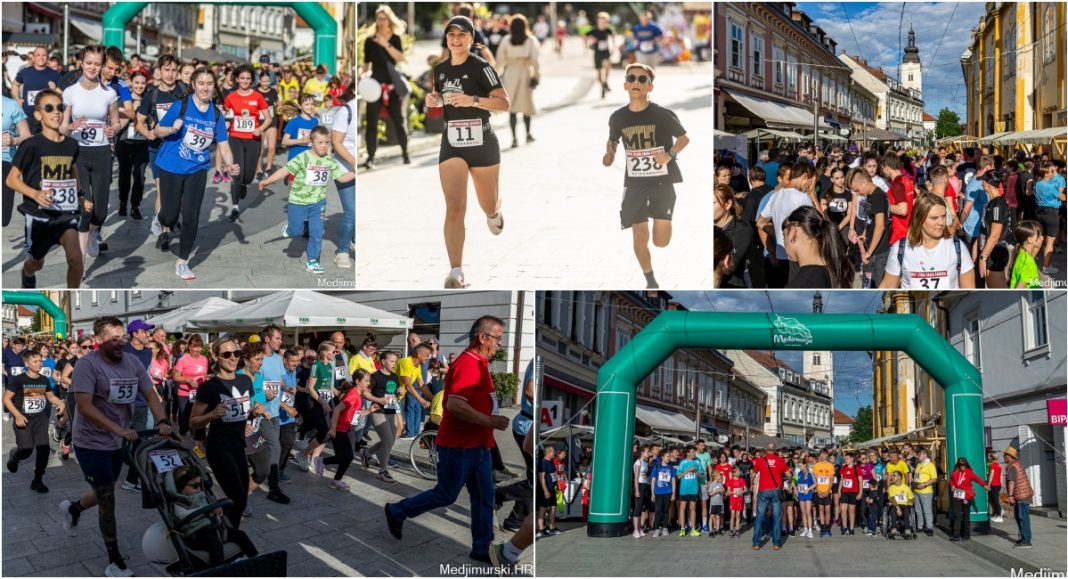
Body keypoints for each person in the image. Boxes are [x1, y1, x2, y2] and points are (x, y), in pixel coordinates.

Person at [384, 316, 512, 563]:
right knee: (446, 494)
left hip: (479, 446)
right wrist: (489, 421)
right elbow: (454, 404)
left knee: (485, 497)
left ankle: (481, 547)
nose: (500, 344)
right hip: (459, 446)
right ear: (482, 337)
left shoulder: (480, 363)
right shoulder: (468, 364)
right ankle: (397, 510)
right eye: (497, 338)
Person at [60, 316, 173, 577]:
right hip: (90, 442)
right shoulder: (88, 365)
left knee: (104, 491)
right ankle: (114, 560)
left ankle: (74, 508)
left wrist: (163, 420)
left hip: (117, 440)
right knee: (107, 498)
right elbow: (85, 407)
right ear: (99, 341)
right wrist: (119, 429)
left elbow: (150, 394)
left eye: (123, 337)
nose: (121, 342)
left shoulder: (132, 362)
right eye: (115, 339)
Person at [426, 16, 511, 289]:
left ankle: (494, 212)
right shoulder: (440, 70)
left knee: (487, 204)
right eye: (451, 34)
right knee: (454, 208)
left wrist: (472, 100)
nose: (456, 39)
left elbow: (504, 103)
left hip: (482, 142)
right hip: (452, 142)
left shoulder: (481, 67)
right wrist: (435, 99)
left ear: (471, 39)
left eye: (462, 35)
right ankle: (456, 271)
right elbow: (442, 97)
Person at [603, 63, 688, 289]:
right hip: (635, 184)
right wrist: (609, 153)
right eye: (632, 78)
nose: (636, 83)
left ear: (650, 86)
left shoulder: (662, 114)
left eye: (642, 80)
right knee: (640, 235)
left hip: (662, 182)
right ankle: (650, 279)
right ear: (625, 85)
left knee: (661, 242)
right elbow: (613, 139)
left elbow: (683, 139)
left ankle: (662, 221)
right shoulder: (617, 117)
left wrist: (669, 155)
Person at [154, 67, 241, 279]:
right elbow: (157, 130)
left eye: (209, 84)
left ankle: (182, 262)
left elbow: (223, 144)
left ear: (214, 87)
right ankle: (161, 218)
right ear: (193, 84)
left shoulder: (217, 114)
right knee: (170, 215)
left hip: (197, 168)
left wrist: (231, 164)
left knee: (192, 216)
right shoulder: (180, 106)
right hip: (171, 166)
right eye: (201, 83)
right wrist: (171, 129)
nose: (205, 87)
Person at [6, 90, 87, 288]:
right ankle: (27, 271)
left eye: (60, 107)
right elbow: (11, 179)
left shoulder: (71, 145)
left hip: (64, 213)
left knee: (76, 260)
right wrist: (35, 194)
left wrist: (80, 196)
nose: (56, 112)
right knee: (37, 263)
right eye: (49, 108)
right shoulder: (31, 145)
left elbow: (72, 169)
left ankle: (70, 300)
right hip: (38, 215)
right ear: (38, 115)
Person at [258, 125, 355, 274]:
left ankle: (312, 261)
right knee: (296, 232)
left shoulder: (329, 162)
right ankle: (291, 228)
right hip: (298, 202)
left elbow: (341, 178)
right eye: (320, 142)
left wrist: (355, 173)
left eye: (326, 143)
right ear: (311, 142)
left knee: (317, 233)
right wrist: (268, 180)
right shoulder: (303, 158)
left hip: (318, 204)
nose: (324, 146)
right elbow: (285, 170)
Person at [60, 46, 121, 267]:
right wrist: (70, 126)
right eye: (89, 63)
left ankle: (95, 232)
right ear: (82, 63)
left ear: (102, 65)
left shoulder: (109, 93)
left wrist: (113, 129)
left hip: (102, 152)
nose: (93, 67)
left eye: (97, 63)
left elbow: (115, 121)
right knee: (85, 209)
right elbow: (62, 128)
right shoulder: (70, 92)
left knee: (100, 211)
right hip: (78, 154)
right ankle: (81, 263)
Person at [188, 338, 259, 530]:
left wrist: (254, 410)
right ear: (215, 356)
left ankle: (224, 530)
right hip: (219, 448)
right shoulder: (209, 386)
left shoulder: (245, 380)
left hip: (238, 445)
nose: (233, 358)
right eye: (227, 354)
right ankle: (225, 535)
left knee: (241, 497)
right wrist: (212, 414)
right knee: (237, 497)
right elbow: (193, 421)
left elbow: (244, 409)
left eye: (236, 353)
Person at [881, 193, 976, 289]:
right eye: (934, 218)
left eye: (943, 216)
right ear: (919, 219)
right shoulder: (900, 248)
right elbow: (887, 286)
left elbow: (969, 290)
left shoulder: (957, 247)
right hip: (914, 304)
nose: (941, 223)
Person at [169, 465, 259, 566]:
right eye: (195, 486)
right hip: (197, 535)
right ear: (181, 486)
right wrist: (207, 510)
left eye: (200, 484)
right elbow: (184, 515)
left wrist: (217, 509)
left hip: (215, 529)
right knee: (215, 544)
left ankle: (257, 561)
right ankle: (219, 571)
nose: (199, 488)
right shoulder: (179, 504)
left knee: (240, 534)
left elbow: (211, 509)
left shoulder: (201, 496)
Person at [4, 348, 66, 492]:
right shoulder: (19, 380)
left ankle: (37, 480)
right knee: (26, 450)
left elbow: (50, 396)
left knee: (43, 449)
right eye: (35, 361)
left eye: (40, 361)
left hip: (41, 419)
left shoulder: (43, 379)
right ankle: (15, 456)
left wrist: (60, 403)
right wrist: (17, 415)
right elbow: (6, 399)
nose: (39, 363)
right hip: (24, 419)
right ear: (26, 363)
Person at [135, 53, 183, 234]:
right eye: (166, 70)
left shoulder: (184, 92)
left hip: (178, 146)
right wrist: (146, 132)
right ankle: (163, 226)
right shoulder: (151, 95)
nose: (170, 74)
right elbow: (138, 120)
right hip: (157, 147)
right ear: (159, 71)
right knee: (161, 187)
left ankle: (169, 217)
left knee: (177, 190)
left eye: (174, 70)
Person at [360, 5, 410, 169]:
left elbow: (400, 58)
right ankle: (371, 157)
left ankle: (405, 153)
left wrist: (385, 44)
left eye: (384, 18)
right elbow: (366, 63)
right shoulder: (370, 40)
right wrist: (362, 76)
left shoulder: (395, 38)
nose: (381, 22)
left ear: (389, 20)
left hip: (391, 86)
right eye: (379, 18)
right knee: (371, 123)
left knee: (398, 121)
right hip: (374, 86)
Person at [221, 64, 270, 222]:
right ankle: (235, 208)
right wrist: (224, 123)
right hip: (235, 137)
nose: (245, 81)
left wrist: (260, 128)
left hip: (253, 140)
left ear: (252, 80)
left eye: (248, 78)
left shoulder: (258, 97)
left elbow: (268, 118)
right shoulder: (231, 96)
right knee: (236, 173)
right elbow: (222, 113)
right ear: (237, 79)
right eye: (242, 78)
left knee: (248, 177)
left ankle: (244, 184)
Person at [757, 163, 817, 287]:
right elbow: (816, 229)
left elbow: (760, 222)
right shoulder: (802, 197)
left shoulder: (775, 196)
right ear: (805, 177)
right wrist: (813, 196)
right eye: (812, 182)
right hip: (798, 259)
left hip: (780, 255)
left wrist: (780, 234)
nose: (811, 187)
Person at [781, 205, 854, 288]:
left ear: (793, 233)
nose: (784, 243)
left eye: (784, 236)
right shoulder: (836, 271)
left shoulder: (797, 287)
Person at [496, 14, 540, 148]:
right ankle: (528, 133)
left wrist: (495, 78)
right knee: (526, 106)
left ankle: (514, 138)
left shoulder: (506, 40)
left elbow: (499, 61)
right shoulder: (531, 40)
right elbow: (535, 61)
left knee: (512, 108)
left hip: (510, 74)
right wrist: (536, 76)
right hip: (525, 73)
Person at [296, 341, 337, 475]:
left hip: (327, 401)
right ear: (324, 352)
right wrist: (322, 402)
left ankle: (313, 458)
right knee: (324, 431)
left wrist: (343, 395)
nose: (335, 354)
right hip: (315, 402)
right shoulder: (316, 365)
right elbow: (311, 388)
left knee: (329, 432)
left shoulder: (330, 366)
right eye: (333, 351)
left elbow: (330, 387)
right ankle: (303, 453)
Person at [330, 83, 356, 269]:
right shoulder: (345, 111)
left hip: (361, 167)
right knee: (352, 211)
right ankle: (342, 252)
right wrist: (354, 162)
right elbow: (336, 142)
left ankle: (356, 239)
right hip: (344, 167)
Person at [11, 47, 62, 134]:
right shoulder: (25, 72)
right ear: (34, 57)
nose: (41, 58)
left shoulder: (55, 74)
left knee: (46, 145)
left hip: (47, 115)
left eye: (44, 55)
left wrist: (54, 90)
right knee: (28, 144)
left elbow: (61, 94)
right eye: (38, 55)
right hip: (28, 116)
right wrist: (17, 98)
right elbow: (15, 84)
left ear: (47, 58)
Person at [978, 171, 1014, 287]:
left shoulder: (998, 204)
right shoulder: (994, 202)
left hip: (996, 251)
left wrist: (983, 257)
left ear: (988, 184)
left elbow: (995, 235)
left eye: (983, 181)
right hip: (993, 250)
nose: (981, 184)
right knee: (993, 284)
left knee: (997, 288)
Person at [714, 184, 753, 288]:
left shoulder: (742, 229)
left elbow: (731, 264)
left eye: (712, 203)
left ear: (728, 204)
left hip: (733, 284)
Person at [750, 443, 788, 550]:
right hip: (775, 490)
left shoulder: (760, 460)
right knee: (777, 516)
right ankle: (776, 543)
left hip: (763, 490)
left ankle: (756, 543)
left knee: (760, 516)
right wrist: (789, 481)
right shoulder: (779, 460)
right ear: (775, 450)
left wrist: (751, 484)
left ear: (766, 450)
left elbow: (753, 474)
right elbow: (789, 473)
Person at [2, 92, 32, 228]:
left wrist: (14, 140)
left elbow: (27, 136)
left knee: (3, 217)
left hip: (5, 160)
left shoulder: (11, 105)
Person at [1033, 161, 1066, 275]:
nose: (1053, 172)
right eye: (1051, 171)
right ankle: (1046, 267)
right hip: (1051, 213)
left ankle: (1031, 261)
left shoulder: (1037, 184)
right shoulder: (1050, 186)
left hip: (1039, 212)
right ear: (1046, 173)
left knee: (1039, 239)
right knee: (1050, 242)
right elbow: (1062, 197)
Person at [949, 457, 989, 542]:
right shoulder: (955, 472)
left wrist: (985, 486)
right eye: (960, 465)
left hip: (966, 496)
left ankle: (966, 535)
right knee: (957, 515)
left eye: (963, 465)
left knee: (966, 516)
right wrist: (952, 485)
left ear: (966, 465)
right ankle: (956, 535)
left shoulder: (969, 473)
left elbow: (978, 480)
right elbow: (951, 480)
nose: (962, 467)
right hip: (957, 495)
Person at [1003, 446, 1034, 548]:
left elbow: (1011, 482)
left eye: (1005, 455)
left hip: (1021, 495)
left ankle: (1026, 541)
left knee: (1022, 517)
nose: (1004, 457)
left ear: (1010, 457)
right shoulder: (1017, 464)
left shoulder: (1012, 466)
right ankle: (1024, 538)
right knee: (1020, 517)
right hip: (1024, 494)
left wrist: (1010, 496)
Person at [254, 71, 279, 182]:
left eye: (268, 81)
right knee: (260, 149)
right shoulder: (255, 91)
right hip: (260, 123)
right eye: (263, 81)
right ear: (259, 81)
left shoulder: (273, 91)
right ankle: (259, 170)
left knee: (272, 147)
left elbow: (278, 102)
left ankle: (268, 169)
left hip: (272, 122)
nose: (265, 83)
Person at [675, 445, 703, 536]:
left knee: (693, 509)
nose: (694, 453)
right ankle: (683, 528)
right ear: (687, 453)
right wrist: (688, 470)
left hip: (694, 489)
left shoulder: (697, 462)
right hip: (684, 490)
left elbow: (701, 475)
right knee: (682, 508)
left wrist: (695, 471)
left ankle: (693, 529)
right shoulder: (683, 463)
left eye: (694, 452)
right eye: (692, 452)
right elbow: (678, 477)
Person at [586, 12, 615, 98]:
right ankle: (603, 87)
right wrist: (591, 40)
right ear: (598, 21)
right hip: (597, 52)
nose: (602, 23)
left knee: (606, 66)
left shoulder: (608, 30)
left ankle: (605, 81)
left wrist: (614, 47)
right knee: (599, 75)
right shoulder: (594, 30)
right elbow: (585, 36)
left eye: (604, 21)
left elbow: (613, 36)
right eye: (601, 21)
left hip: (606, 52)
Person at [1009, 220, 1045, 288]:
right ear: (1030, 240)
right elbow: (1019, 288)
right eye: (1039, 235)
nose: (1042, 238)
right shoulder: (1029, 263)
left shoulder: (1020, 253)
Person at [912, 447, 937, 536]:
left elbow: (934, 479)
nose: (918, 456)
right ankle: (920, 526)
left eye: (919, 455)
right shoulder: (919, 465)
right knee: (918, 510)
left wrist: (925, 484)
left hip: (925, 491)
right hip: (916, 490)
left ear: (925, 455)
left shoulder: (930, 465)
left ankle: (929, 527)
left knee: (927, 510)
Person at [886, 470, 915, 539]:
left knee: (906, 509)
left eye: (894, 476)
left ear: (899, 477)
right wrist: (898, 508)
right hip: (895, 505)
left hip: (904, 505)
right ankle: (894, 529)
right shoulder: (891, 487)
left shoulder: (906, 487)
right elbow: (892, 498)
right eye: (892, 476)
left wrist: (911, 501)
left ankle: (907, 529)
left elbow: (911, 497)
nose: (892, 477)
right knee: (893, 509)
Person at [987, 450, 1004, 523]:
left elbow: (992, 475)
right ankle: (998, 513)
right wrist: (1001, 484)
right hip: (998, 485)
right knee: (994, 499)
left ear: (991, 457)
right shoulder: (999, 465)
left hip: (993, 484)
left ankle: (1000, 515)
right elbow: (1001, 475)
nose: (987, 457)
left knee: (995, 500)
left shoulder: (993, 465)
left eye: (988, 456)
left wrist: (988, 484)